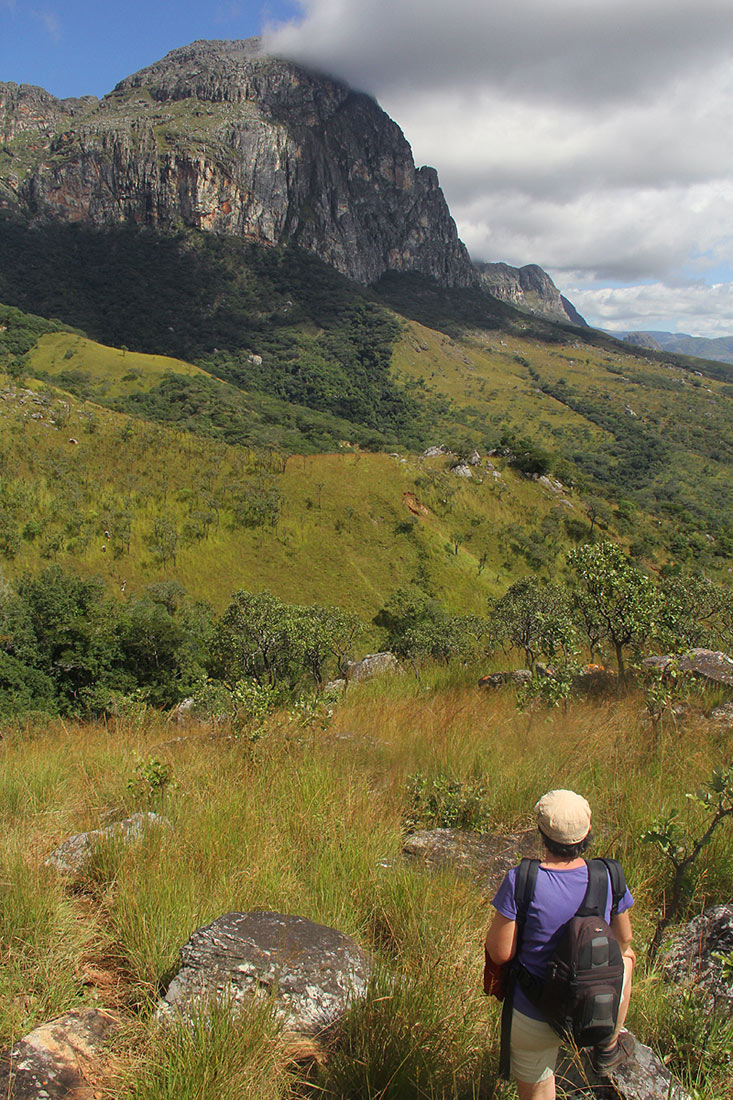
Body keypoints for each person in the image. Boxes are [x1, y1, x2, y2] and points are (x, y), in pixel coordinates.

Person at [485, 789, 635, 1100]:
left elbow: (501, 953)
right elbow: (625, 939)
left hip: (534, 1008)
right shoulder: (609, 875)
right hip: (593, 1004)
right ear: (588, 832)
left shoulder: (521, 879)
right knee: (628, 956)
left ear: (542, 833)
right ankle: (608, 1044)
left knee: (539, 1088)